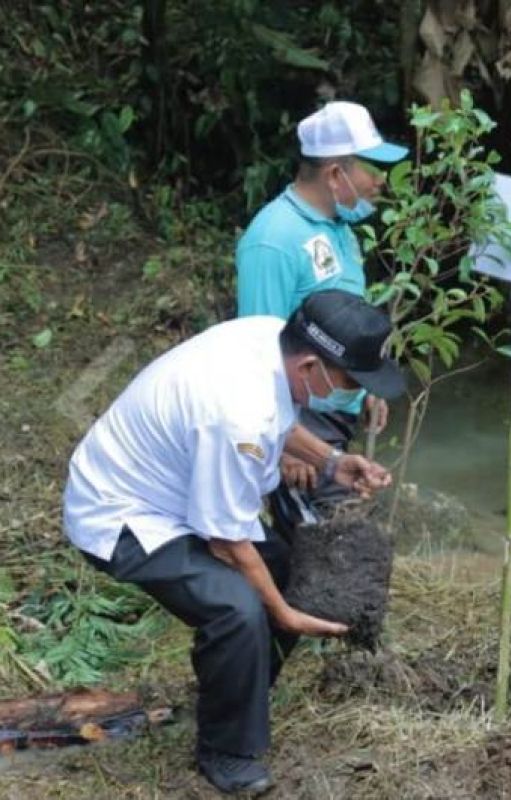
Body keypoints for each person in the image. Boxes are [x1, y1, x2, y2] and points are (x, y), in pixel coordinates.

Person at [62, 290, 405, 794]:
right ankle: (225, 752)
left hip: (174, 490)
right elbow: (227, 542)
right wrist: (284, 615)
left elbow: (280, 423)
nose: (352, 391)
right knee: (239, 607)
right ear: (311, 364)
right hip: (121, 515)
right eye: (351, 380)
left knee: (289, 572)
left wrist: (329, 461)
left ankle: (234, 693)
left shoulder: (272, 338)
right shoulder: (236, 415)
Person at [235, 100, 408, 527]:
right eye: (372, 168)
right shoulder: (273, 240)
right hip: (304, 416)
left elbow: (349, 324)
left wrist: (364, 383)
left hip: (336, 413)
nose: (381, 182)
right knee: (321, 544)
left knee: (336, 536)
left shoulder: (342, 231)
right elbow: (257, 353)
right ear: (335, 173)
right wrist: (289, 446)